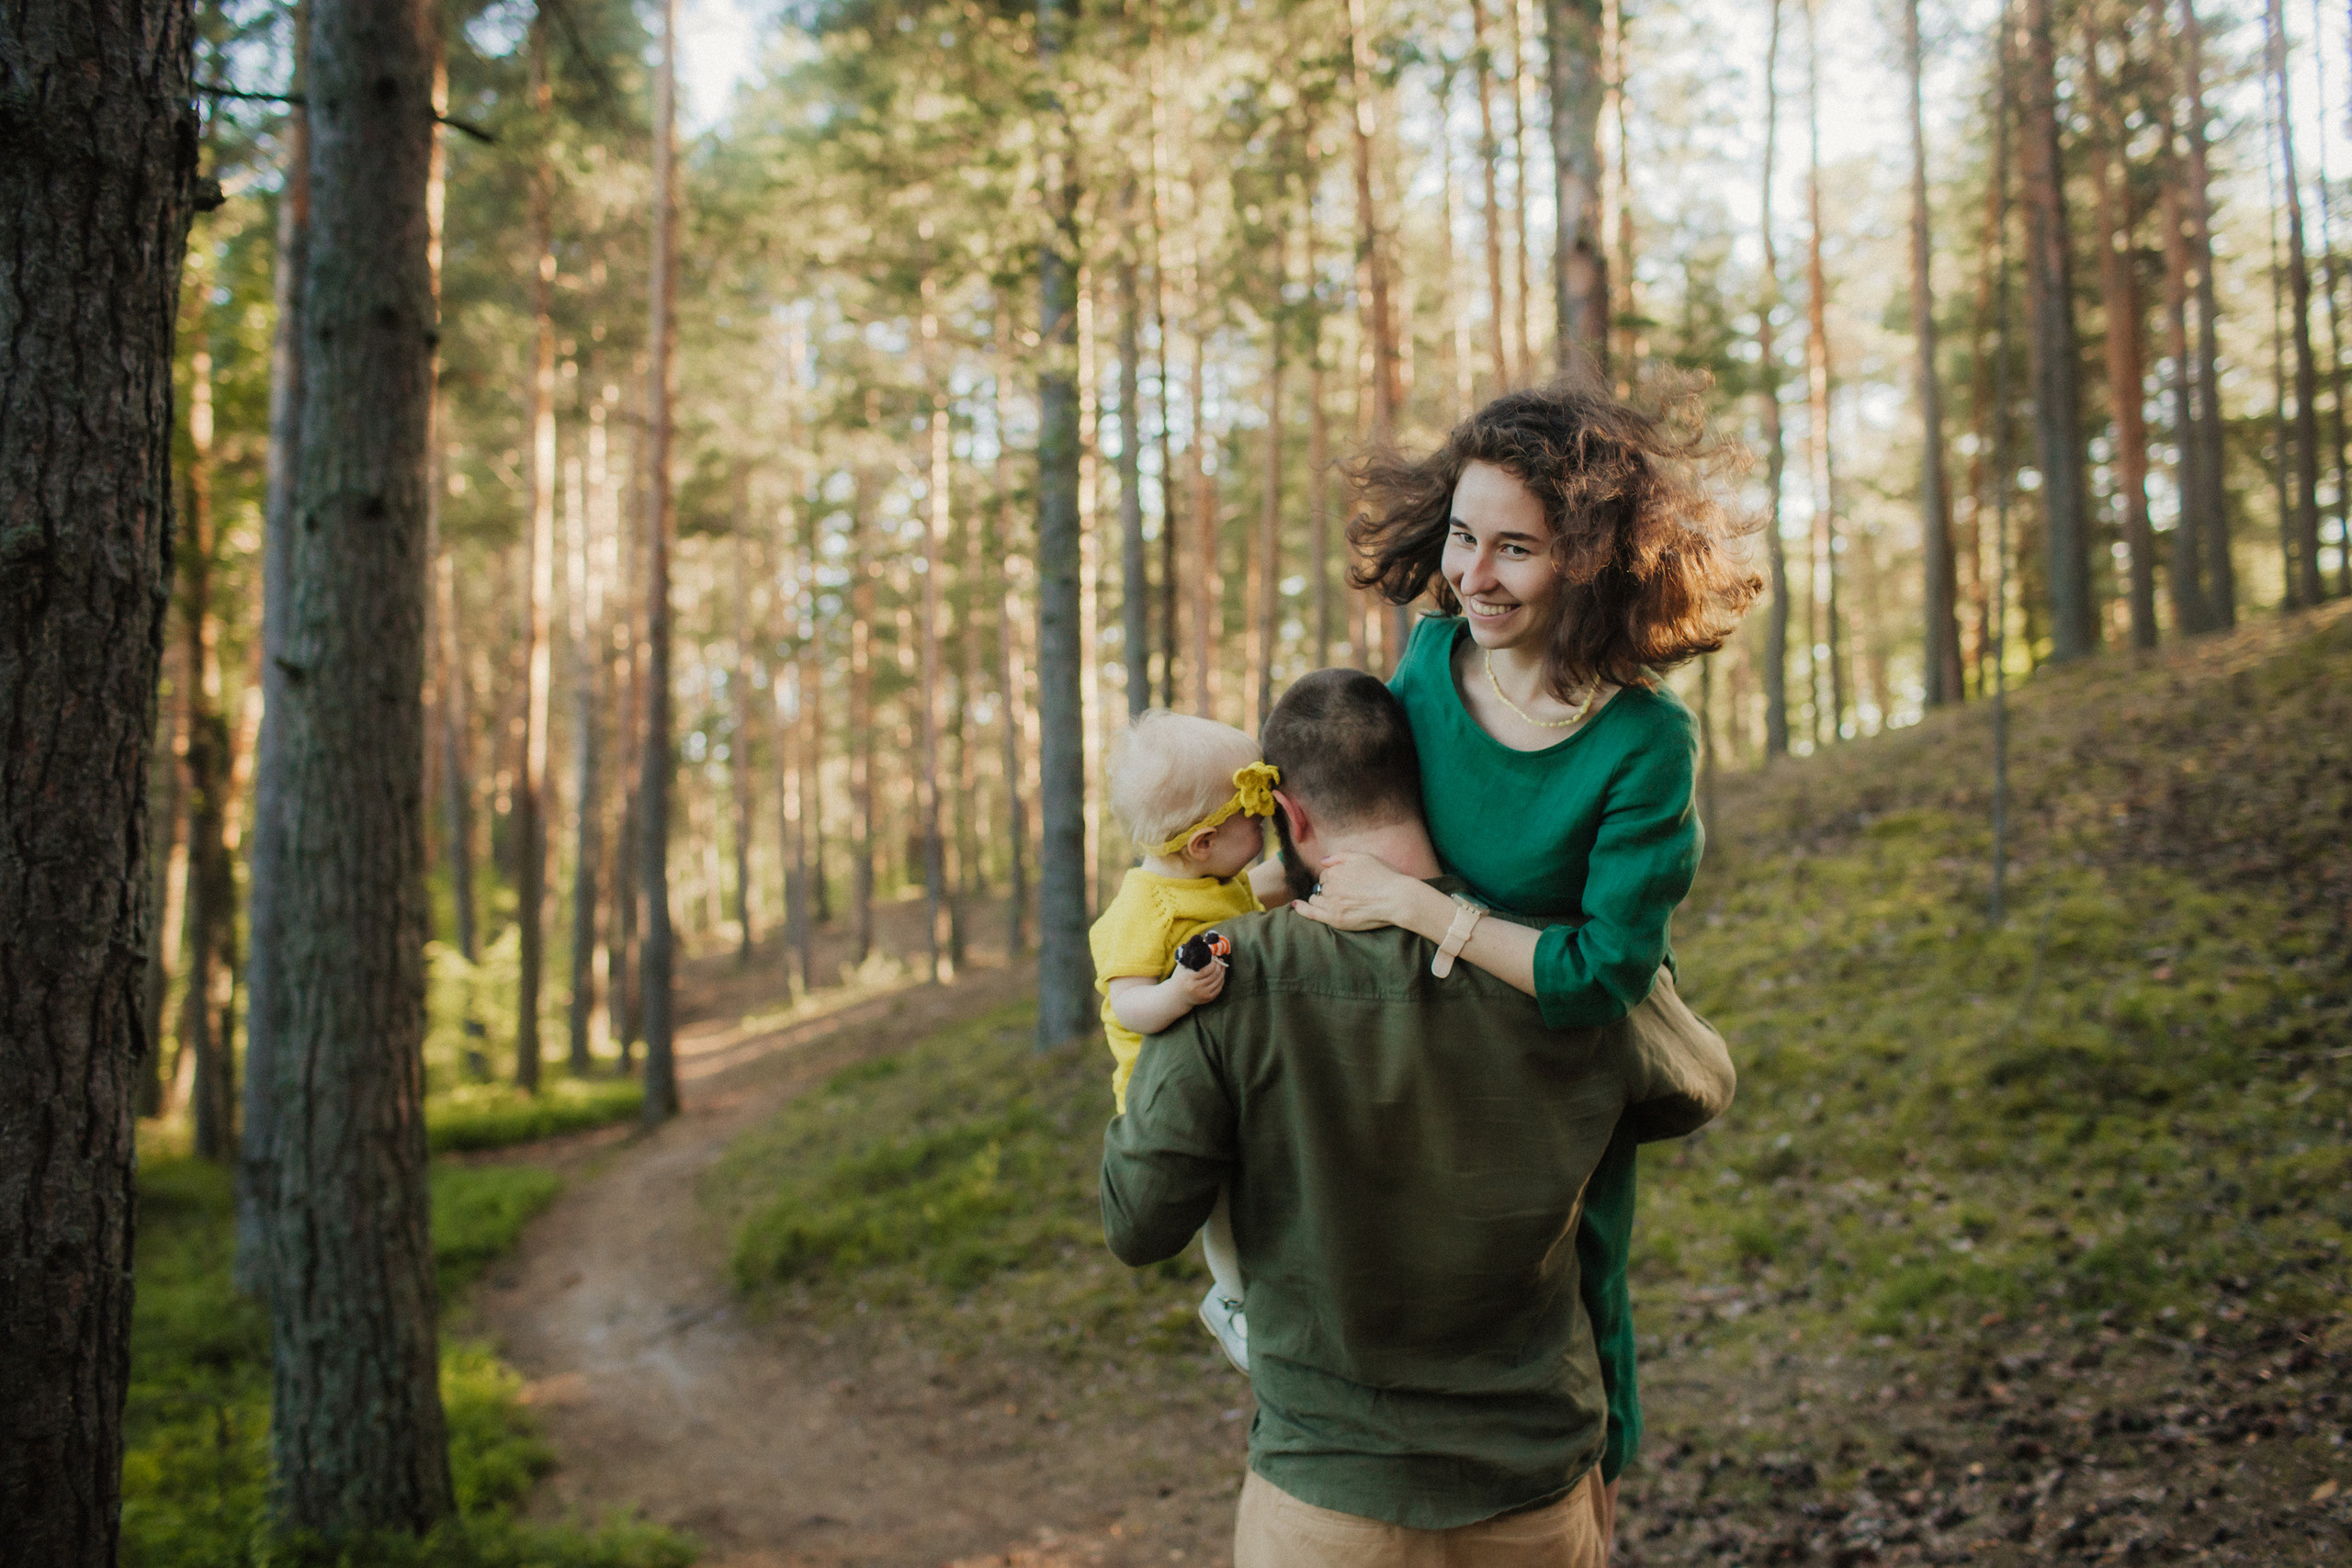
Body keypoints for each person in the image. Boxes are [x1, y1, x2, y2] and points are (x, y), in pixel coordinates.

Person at [1101, 669, 1733, 1567]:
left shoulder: (1224, 976)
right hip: (1533, 1490)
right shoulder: (1555, 968)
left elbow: (1139, 1222)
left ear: (1291, 815)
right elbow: (1699, 1085)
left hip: (1328, 1501)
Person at [1297, 377, 1760, 1524]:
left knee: (1569, 1300)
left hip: (1560, 1072)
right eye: (1464, 537)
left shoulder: (1643, 743)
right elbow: (1371, 825)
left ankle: (1584, 1511)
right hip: (1426, 1048)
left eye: (1517, 549)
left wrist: (1426, 916)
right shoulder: (1427, 659)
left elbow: (1603, 972)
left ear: (1593, 561)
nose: (1475, 576)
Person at [1090, 709, 1293, 1370]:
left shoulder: (1217, 882)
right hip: (1165, 1094)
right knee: (1222, 1200)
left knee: (1257, 1181)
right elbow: (1127, 1003)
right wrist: (1176, 993)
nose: (1266, 819)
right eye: (1254, 814)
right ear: (1203, 842)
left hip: (1225, 1071)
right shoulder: (1144, 909)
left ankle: (1265, 1285)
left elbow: (1255, 895)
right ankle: (1231, 1302)